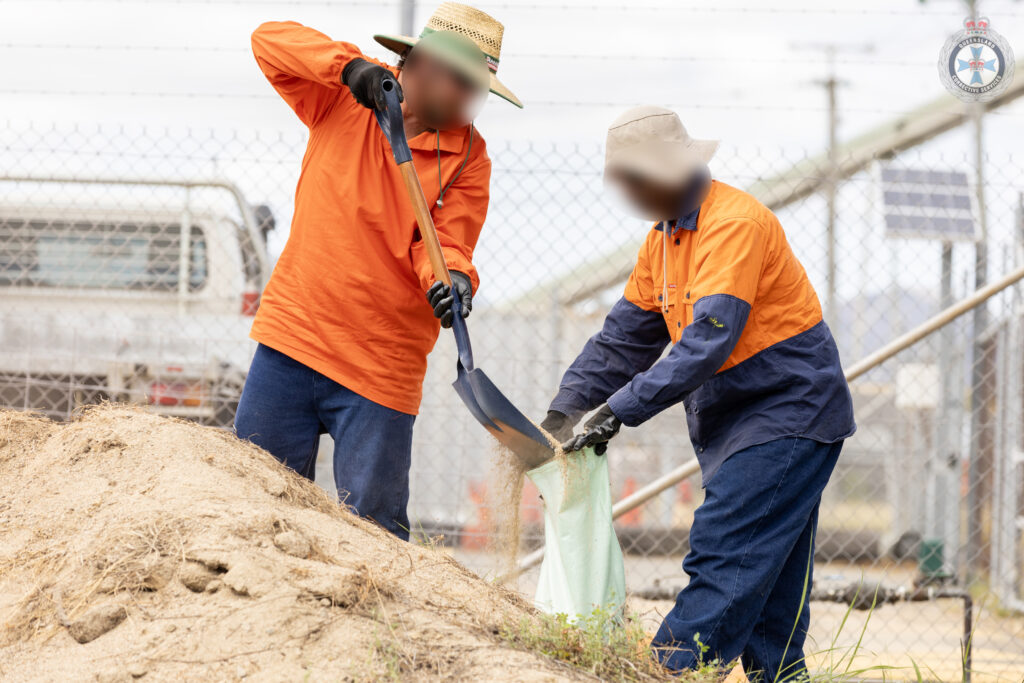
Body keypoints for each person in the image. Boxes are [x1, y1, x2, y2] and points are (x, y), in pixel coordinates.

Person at [540, 106, 855, 679]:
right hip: (738, 420)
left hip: (788, 408)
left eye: (638, 180)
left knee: (726, 555)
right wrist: (566, 409)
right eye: (625, 183)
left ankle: (666, 673)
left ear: (673, 170)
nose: (631, 193)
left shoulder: (733, 223)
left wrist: (618, 410)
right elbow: (622, 341)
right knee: (771, 598)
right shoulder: (660, 242)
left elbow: (709, 338)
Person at [235, 3, 522, 541]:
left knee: (374, 531)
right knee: (254, 501)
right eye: (461, 84)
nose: (469, 101)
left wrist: (453, 280)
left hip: (380, 368)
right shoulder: (347, 94)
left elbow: (443, 244)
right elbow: (268, 40)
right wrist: (348, 68)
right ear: (418, 65)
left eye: (475, 89)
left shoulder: (468, 159)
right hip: (292, 340)